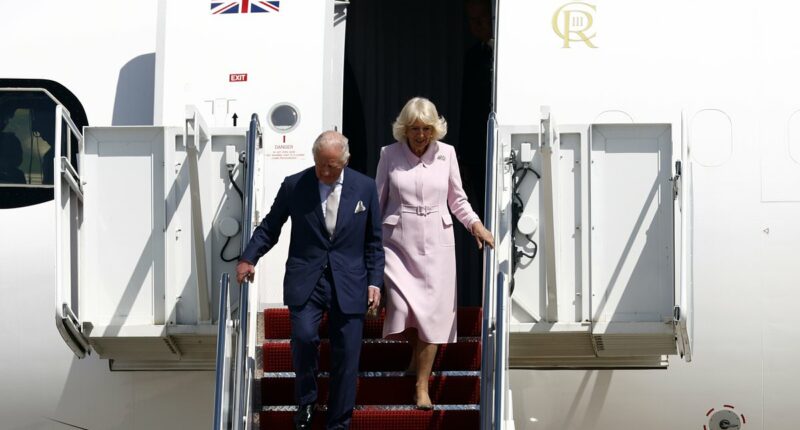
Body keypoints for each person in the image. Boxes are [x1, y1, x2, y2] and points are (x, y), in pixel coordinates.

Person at [236, 131, 384, 430]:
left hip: (350, 281)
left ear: (345, 161)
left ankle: (338, 422)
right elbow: (270, 226)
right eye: (321, 165)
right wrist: (249, 257)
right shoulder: (295, 185)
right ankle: (306, 401)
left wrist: (374, 282)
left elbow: (373, 241)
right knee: (303, 339)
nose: (326, 172)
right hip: (307, 278)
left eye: (332, 166)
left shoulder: (365, 188)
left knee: (347, 356)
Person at [376, 97, 494, 409]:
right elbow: (377, 199)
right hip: (398, 244)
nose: (420, 135)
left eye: (426, 129)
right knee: (401, 309)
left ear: (434, 129)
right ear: (404, 128)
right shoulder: (389, 155)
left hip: (437, 246)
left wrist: (476, 226)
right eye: (414, 128)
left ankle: (421, 385)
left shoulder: (447, 155)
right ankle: (417, 356)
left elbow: (458, 199)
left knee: (430, 316)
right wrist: (363, 242)